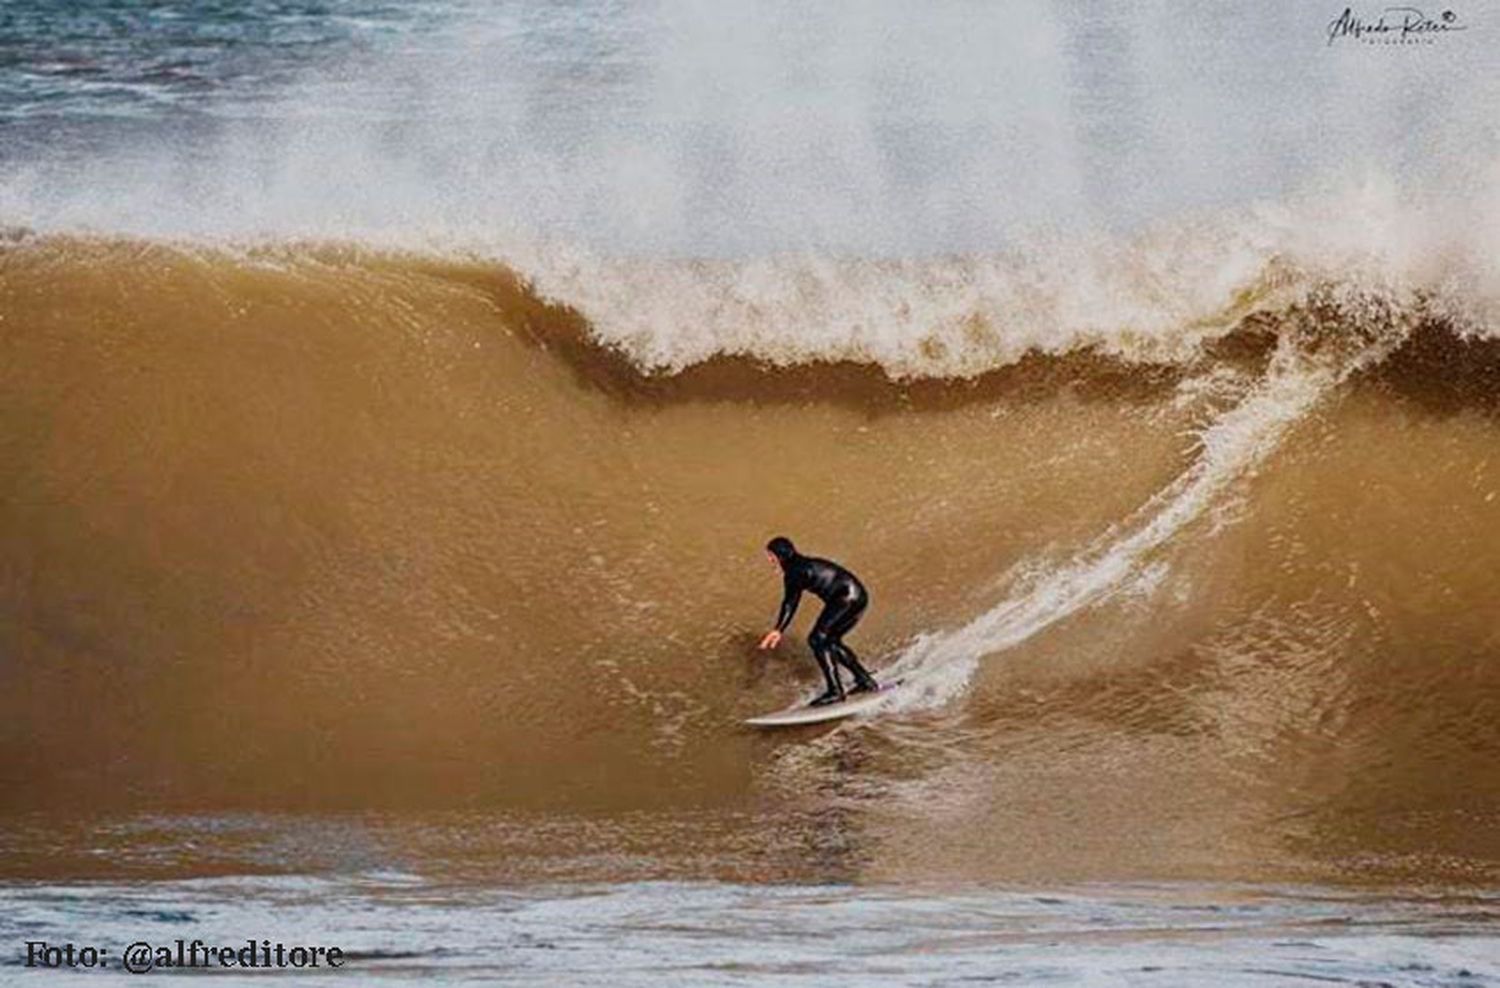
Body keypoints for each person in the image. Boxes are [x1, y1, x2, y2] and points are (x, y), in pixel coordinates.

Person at [758, 536, 878, 706]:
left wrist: (778, 630)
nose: (770, 560)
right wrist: (779, 629)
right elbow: (790, 602)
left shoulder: (794, 572)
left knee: (817, 639)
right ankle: (864, 681)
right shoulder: (800, 565)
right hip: (857, 596)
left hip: (846, 598)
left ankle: (836, 691)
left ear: (779, 555)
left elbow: (790, 602)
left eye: (770, 556)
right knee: (830, 641)